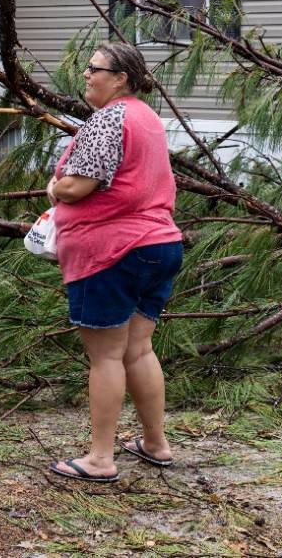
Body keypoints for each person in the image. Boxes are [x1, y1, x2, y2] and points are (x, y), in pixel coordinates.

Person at [45, 42, 183, 482]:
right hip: (160, 245)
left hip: (113, 251)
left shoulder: (109, 119)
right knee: (138, 348)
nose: (86, 75)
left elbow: (75, 188)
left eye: (94, 68)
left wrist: (55, 190)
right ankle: (156, 444)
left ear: (121, 78)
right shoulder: (147, 119)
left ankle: (100, 460)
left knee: (105, 356)